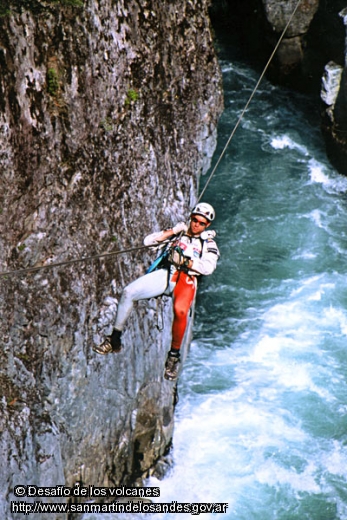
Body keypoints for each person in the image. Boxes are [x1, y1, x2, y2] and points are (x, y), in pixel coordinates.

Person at [93, 202, 220, 381]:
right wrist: (173, 231)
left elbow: (208, 267)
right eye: (194, 220)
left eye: (201, 223)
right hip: (167, 273)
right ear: (191, 217)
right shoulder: (180, 233)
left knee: (181, 311)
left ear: (207, 225)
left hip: (186, 278)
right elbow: (148, 242)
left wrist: (187, 262)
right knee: (129, 292)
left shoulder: (208, 243)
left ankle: (173, 356)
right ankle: (114, 339)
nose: (196, 224)